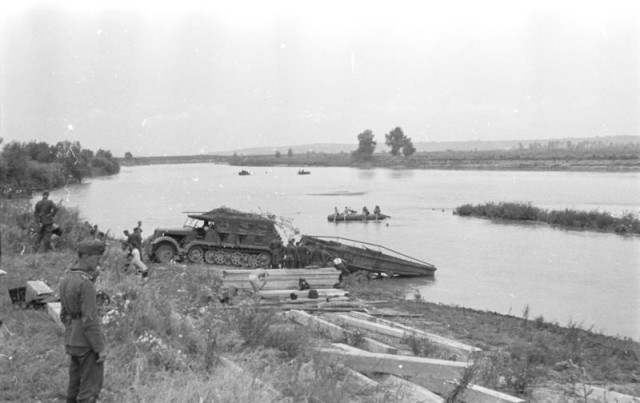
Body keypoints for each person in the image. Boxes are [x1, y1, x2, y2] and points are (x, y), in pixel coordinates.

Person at [59, 240, 107, 403]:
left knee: (74, 387)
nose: (99, 261)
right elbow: (90, 319)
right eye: (97, 257)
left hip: (72, 338)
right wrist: (99, 347)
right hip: (86, 343)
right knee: (89, 390)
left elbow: (63, 314)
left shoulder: (66, 278)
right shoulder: (85, 283)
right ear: (86, 257)